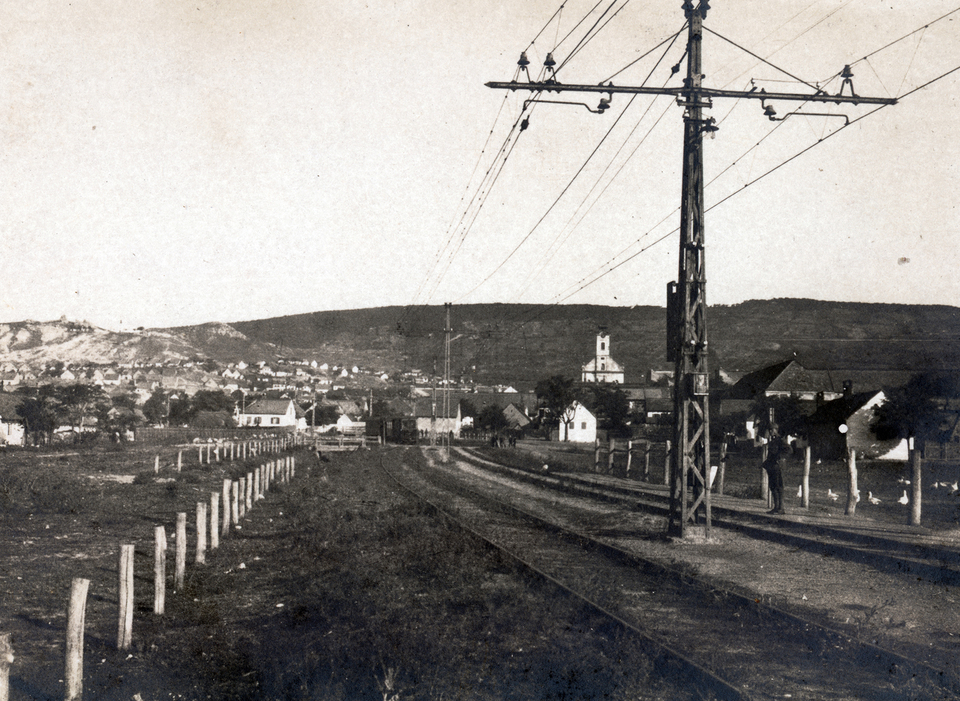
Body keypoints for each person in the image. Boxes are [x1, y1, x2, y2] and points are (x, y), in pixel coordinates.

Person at [762, 427, 788, 514]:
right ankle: (776, 507)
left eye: (771, 430)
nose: (770, 432)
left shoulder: (780, 440)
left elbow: (789, 450)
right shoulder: (772, 440)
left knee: (778, 486)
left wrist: (779, 458)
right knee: (772, 486)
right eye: (769, 430)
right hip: (771, 466)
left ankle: (781, 508)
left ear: (776, 430)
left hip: (777, 466)